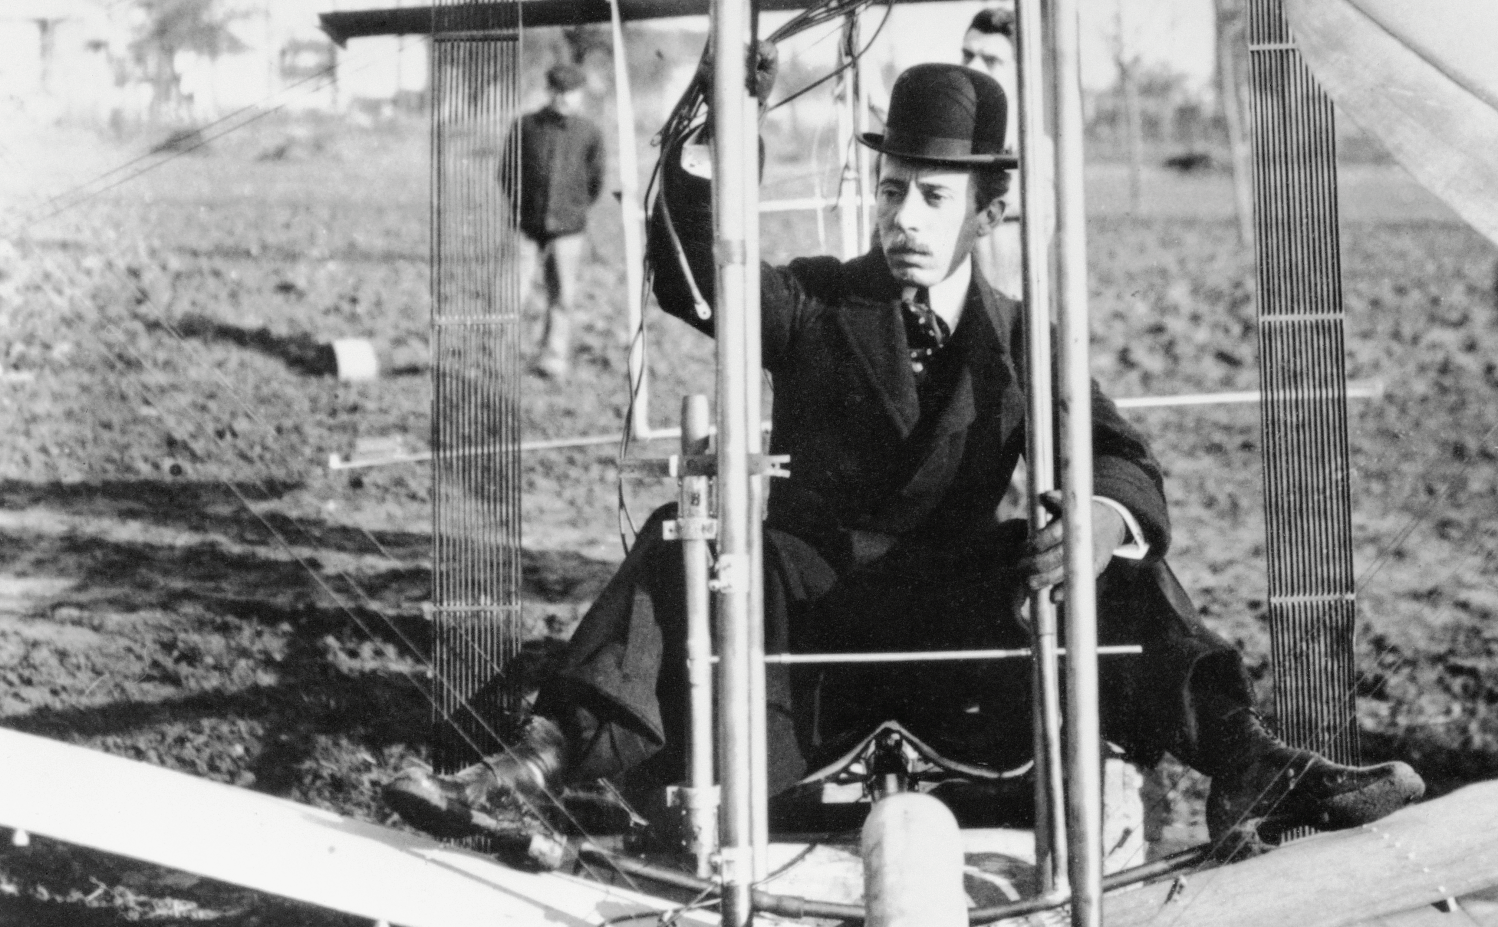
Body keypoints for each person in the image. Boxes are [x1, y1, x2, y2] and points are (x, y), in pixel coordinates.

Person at [389, 62, 1421, 854]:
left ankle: (1246, 762)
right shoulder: (810, 302)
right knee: (681, 538)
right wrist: (704, 133)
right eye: (891, 192)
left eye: (931, 197)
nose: (901, 220)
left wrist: (1102, 521)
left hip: (961, 626)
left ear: (989, 208)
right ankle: (543, 761)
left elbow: (1118, 454)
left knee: (1121, 565)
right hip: (811, 615)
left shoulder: (1021, 336)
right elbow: (689, 278)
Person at [500, 61, 606, 381]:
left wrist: (574, 210)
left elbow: (595, 179)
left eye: (570, 93)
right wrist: (522, 208)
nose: (563, 98)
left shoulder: (589, 132)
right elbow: (507, 172)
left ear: (579, 95)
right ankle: (502, 358)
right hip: (527, 227)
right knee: (511, 293)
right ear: (548, 92)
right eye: (557, 91)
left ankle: (553, 358)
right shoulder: (525, 126)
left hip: (568, 229)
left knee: (562, 295)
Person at [960, 5, 1028, 298]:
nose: (973, 68)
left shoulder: (1037, 152)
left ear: (1020, 71)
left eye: (991, 60)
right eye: (967, 55)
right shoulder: (958, 136)